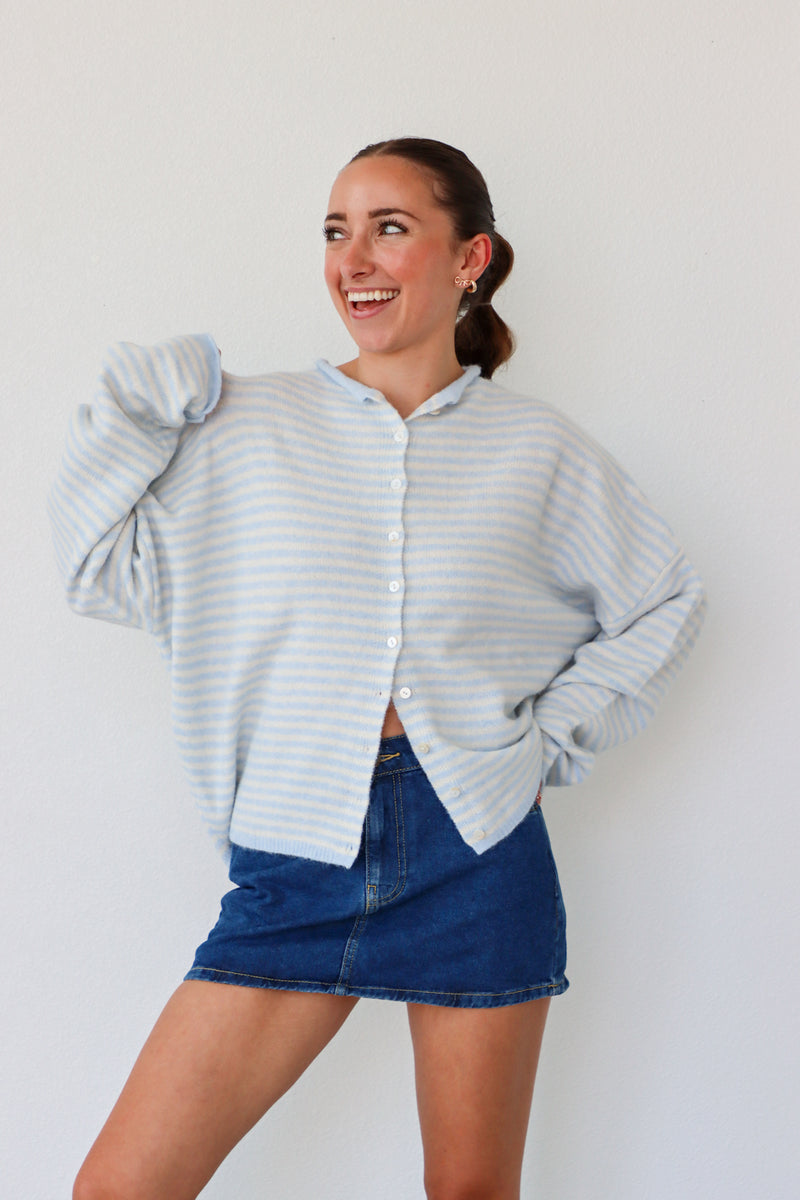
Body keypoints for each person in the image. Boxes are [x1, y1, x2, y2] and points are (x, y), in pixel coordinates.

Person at [49, 137, 705, 1200]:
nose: (353, 256)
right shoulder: (239, 426)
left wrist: (541, 744)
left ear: (468, 258)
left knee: (470, 1194)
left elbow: (664, 599)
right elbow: (98, 570)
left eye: (389, 227)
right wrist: (130, 414)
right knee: (123, 1188)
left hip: (476, 845)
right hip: (299, 844)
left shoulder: (536, 448)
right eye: (334, 230)